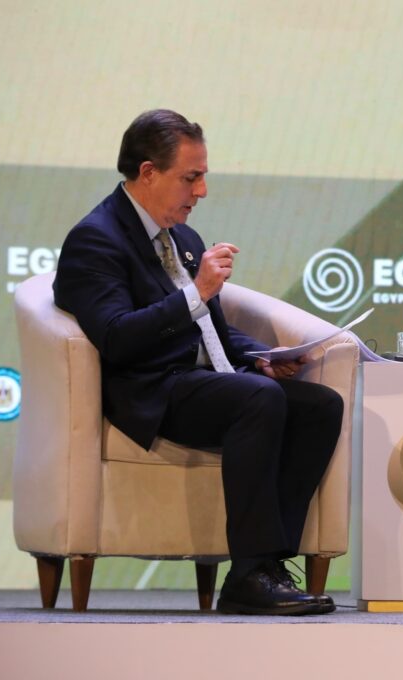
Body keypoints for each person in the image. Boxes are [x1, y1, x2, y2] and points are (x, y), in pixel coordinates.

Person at [54, 109, 344, 616]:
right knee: (256, 400)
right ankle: (249, 574)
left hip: (201, 381)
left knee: (319, 406)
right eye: (191, 177)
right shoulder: (96, 238)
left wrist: (260, 357)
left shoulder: (183, 238)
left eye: (203, 176)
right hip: (150, 388)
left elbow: (209, 326)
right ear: (148, 173)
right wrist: (198, 291)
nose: (202, 191)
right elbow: (117, 338)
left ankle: (271, 565)